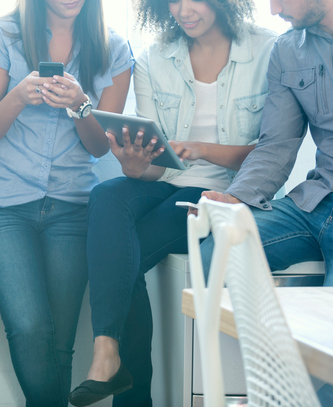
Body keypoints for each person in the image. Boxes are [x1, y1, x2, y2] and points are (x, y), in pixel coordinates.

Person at [71, 0, 277, 404]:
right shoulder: (154, 56)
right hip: (170, 184)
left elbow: (273, 152)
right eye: (172, 1)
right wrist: (133, 164)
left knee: (117, 257)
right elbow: (154, 169)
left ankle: (118, 373)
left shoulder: (269, 51)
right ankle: (106, 351)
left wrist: (201, 149)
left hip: (230, 192)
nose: (183, 10)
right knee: (107, 194)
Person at [199, 0, 333, 403]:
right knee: (213, 254)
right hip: (313, 203)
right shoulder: (288, 50)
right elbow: (278, 143)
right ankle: (274, 385)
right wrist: (236, 197)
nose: (273, 10)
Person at [0, 0, 133, 405]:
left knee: (59, 342)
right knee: (29, 328)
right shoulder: (2, 35)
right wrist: (19, 96)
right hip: (0, 201)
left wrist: (80, 106)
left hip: (72, 204)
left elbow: (99, 148)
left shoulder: (115, 49)